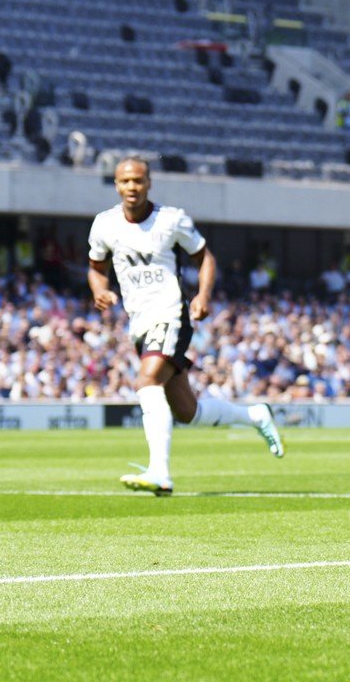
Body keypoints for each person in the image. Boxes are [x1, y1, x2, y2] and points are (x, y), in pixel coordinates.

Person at [88, 157, 284, 495]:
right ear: (116, 185)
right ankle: (254, 415)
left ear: (149, 183)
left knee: (147, 379)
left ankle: (159, 472)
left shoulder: (171, 219)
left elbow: (204, 256)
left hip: (171, 314)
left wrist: (203, 295)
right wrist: (99, 290)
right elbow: (95, 266)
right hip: (140, 322)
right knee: (186, 411)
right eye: (125, 181)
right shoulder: (104, 224)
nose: (132, 187)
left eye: (138, 181)